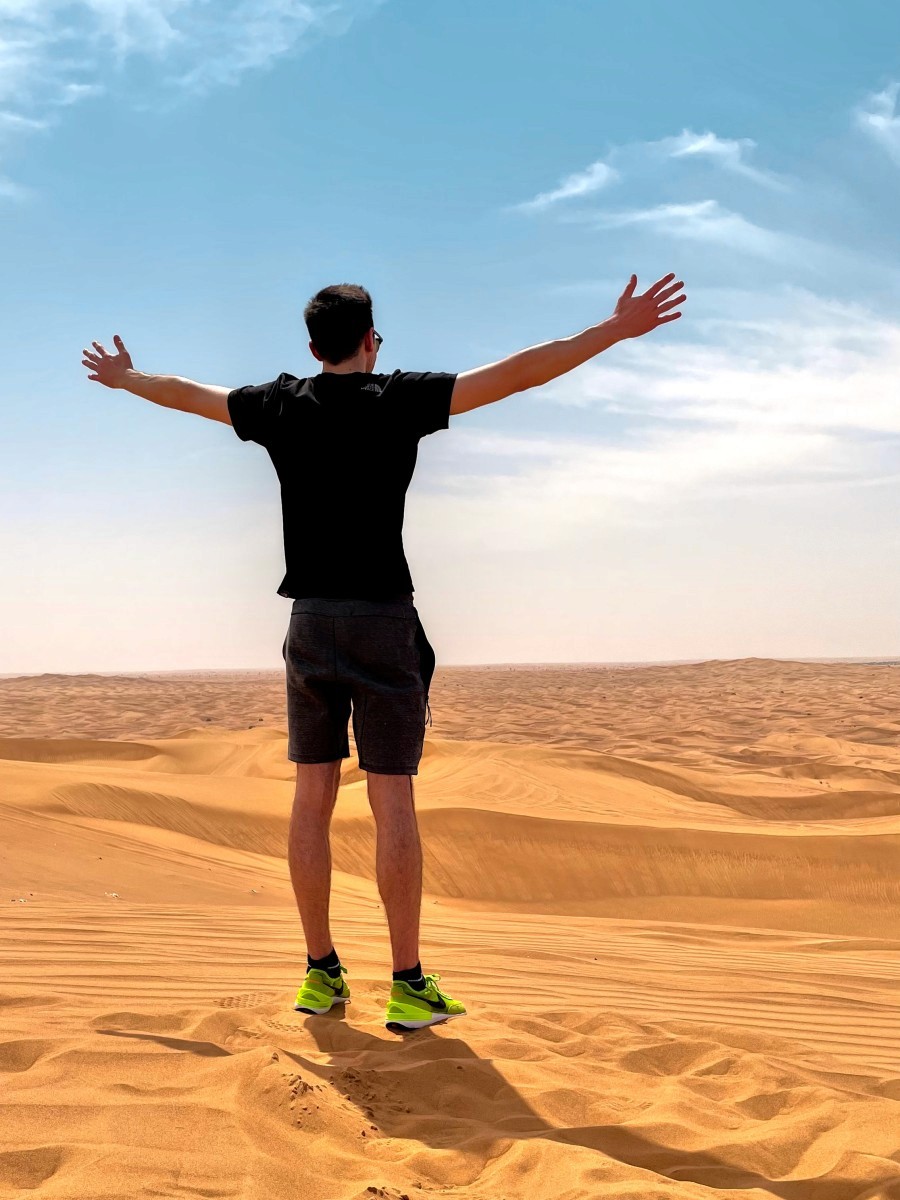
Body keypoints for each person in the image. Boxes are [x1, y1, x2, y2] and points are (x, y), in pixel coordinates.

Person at [81, 272, 686, 1031]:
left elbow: (186, 394)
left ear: (313, 348)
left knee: (311, 796)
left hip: (310, 621)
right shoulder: (399, 398)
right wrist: (612, 330)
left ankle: (320, 972)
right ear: (370, 340)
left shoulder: (278, 405)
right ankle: (407, 982)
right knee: (391, 797)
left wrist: (126, 378)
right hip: (381, 619)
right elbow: (517, 373)